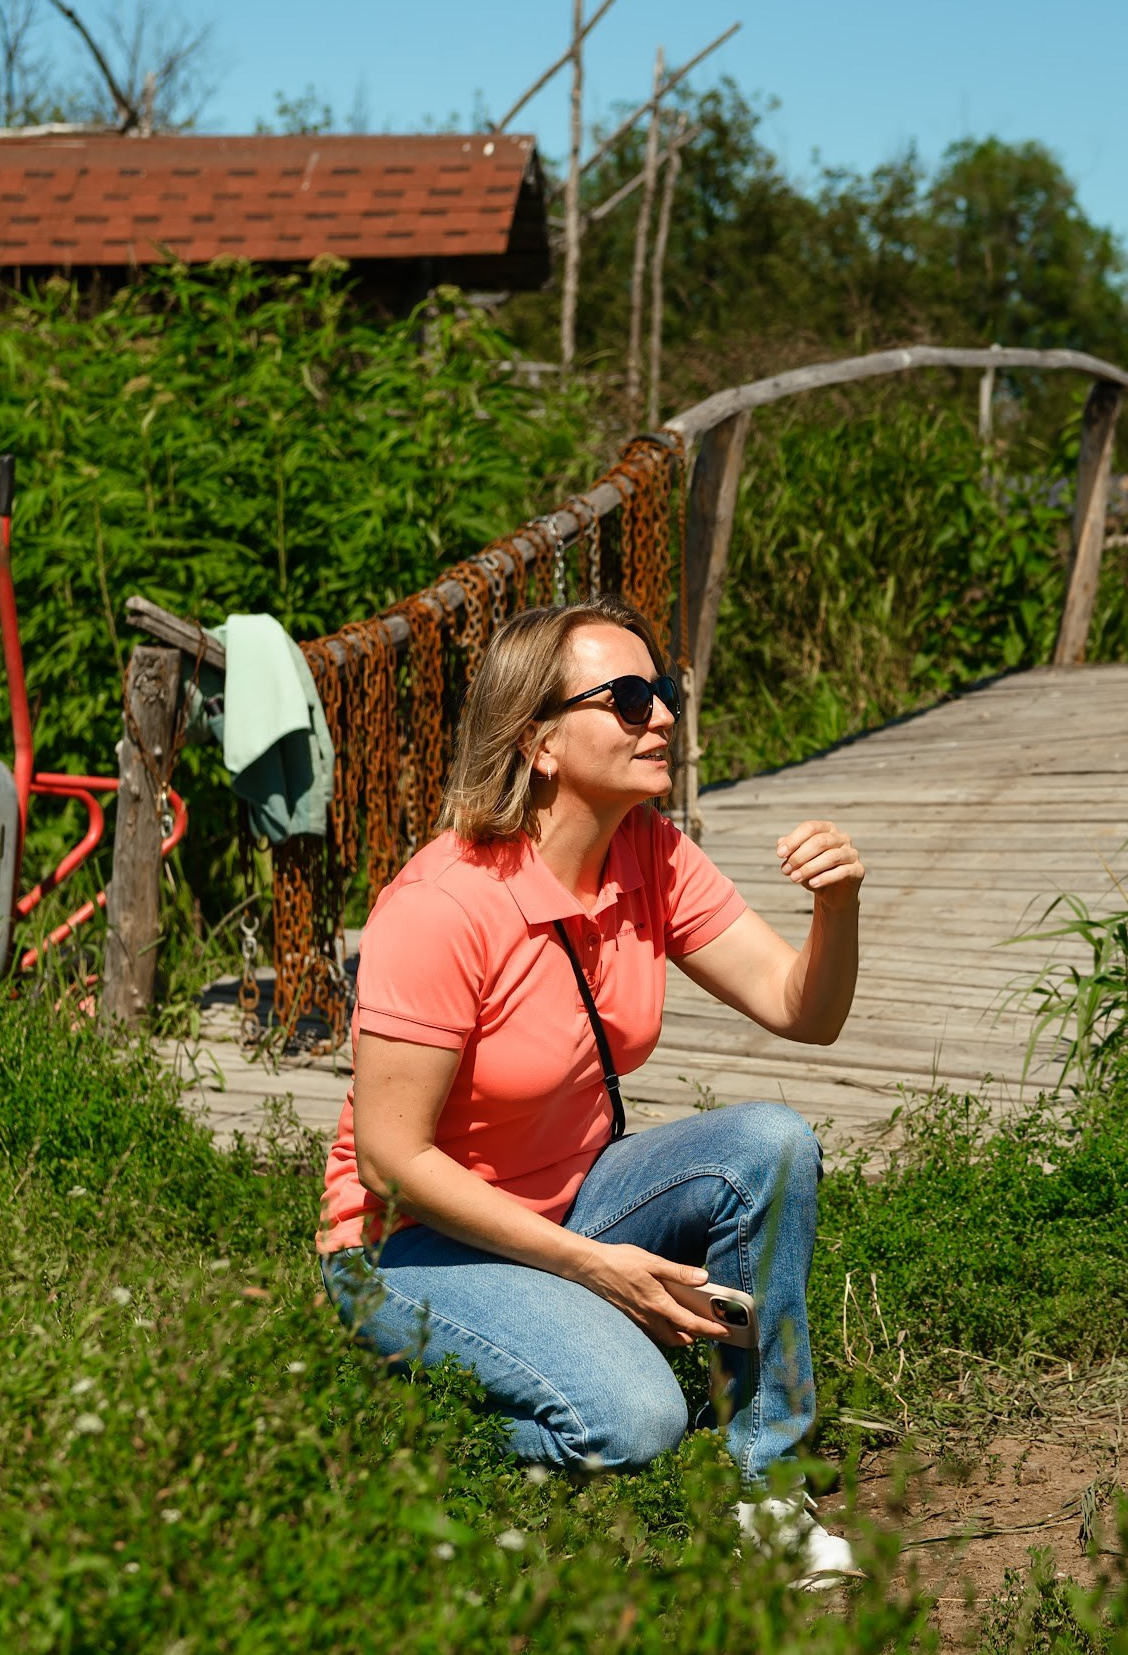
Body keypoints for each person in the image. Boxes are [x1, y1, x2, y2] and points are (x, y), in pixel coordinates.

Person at [316, 595, 865, 1584]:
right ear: (539, 742)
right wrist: (595, 1267)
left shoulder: (649, 852)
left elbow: (803, 1010)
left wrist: (838, 905)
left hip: (571, 1199)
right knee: (638, 1419)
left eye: (663, 691)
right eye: (628, 698)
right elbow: (392, 1160)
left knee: (771, 1144)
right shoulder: (441, 905)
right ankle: (393, 1435)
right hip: (405, 1246)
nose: (662, 715)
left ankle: (768, 1484)